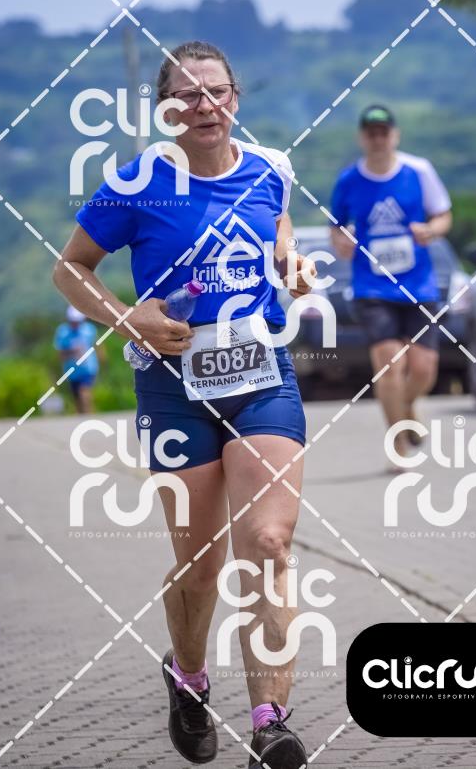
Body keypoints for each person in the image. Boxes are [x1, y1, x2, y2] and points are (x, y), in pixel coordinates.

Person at [53, 41, 315, 768]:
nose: (205, 105)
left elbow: (280, 227)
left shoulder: (269, 169)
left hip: (260, 374)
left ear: (236, 97)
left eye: (216, 91)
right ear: (166, 109)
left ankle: (269, 722)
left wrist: (291, 262)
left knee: (268, 544)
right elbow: (70, 269)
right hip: (174, 388)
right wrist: (126, 317)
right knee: (201, 563)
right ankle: (189, 676)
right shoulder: (136, 183)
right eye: (188, 95)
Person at [330, 105, 452, 465]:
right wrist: (341, 242)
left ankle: (407, 404)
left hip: (418, 285)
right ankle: (397, 444)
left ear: (395, 135)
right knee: (389, 363)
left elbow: (443, 214)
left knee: (424, 368)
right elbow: (336, 226)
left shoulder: (419, 170)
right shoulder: (348, 180)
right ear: (362, 137)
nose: (378, 138)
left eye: (384, 132)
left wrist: (432, 230)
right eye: (371, 132)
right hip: (372, 287)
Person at [53, 305, 99, 413]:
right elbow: (60, 354)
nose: (75, 324)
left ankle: (89, 414)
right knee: (76, 397)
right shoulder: (62, 332)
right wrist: (72, 352)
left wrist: (103, 360)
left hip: (88, 368)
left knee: (84, 392)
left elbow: (97, 346)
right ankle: (81, 417)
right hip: (71, 370)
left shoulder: (89, 329)